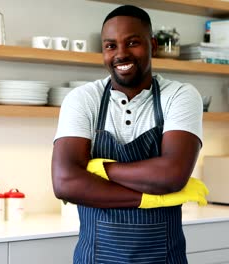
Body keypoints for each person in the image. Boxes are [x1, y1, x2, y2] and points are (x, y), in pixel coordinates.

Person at [51, 5, 209, 264]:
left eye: (133, 42)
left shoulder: (180, 96)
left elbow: (172, 174)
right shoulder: (82, 99)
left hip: (163, 259)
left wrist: (100, 170)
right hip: (95, 258)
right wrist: (150, 197)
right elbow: (65, 183)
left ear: (153, 45)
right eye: (110, 46)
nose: (121, 54)